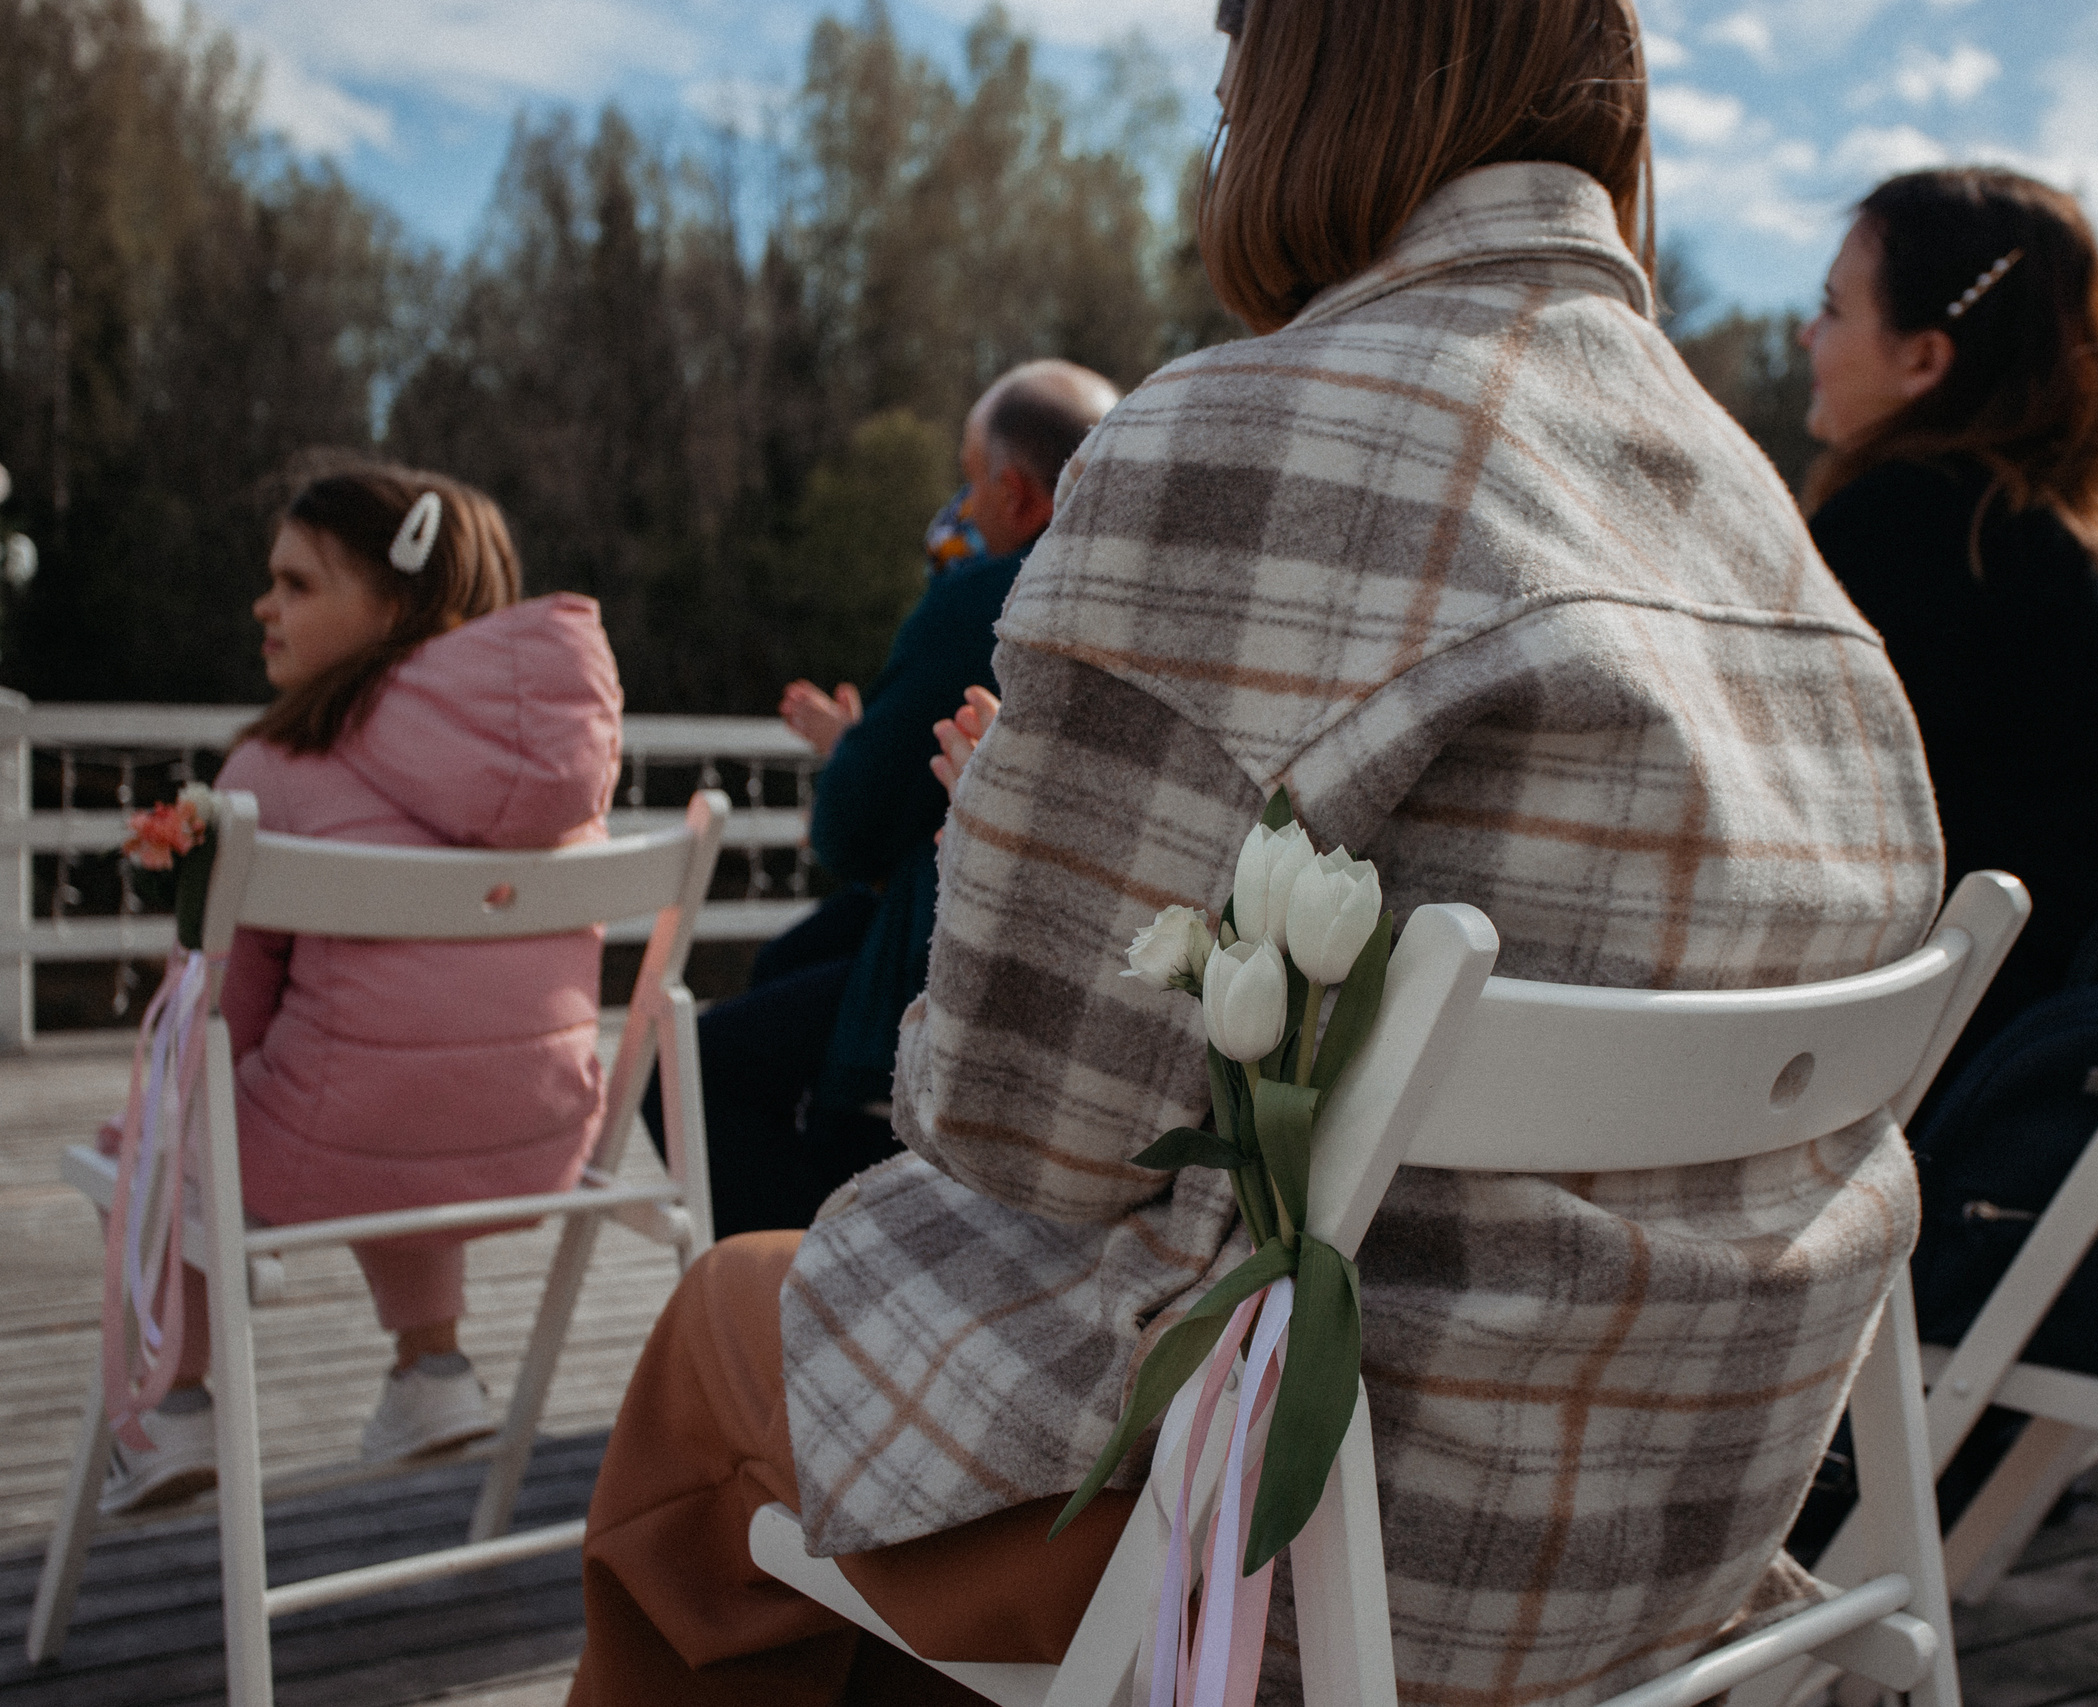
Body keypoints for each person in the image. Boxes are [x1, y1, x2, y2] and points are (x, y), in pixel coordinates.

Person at [567, 3, 1945, 1703]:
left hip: (1316, 1560)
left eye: (1235, 88)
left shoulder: (1238, 435)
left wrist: (1010, 837)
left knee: (721, 1333)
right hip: (1680, 1548)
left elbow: (1017, 1132)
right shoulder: (1772, 536)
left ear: (1315, 87)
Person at [100, 457, 623, 1511]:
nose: (266, 604)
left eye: (298, 584)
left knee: (163, 1130)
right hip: (538, 1144)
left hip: (336, 1145)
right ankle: (433, 1371)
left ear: (398, 602)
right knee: (395, 1077)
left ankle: (176, 1409)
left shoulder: (273, 771)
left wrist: (159, 1119)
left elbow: (219, 1013)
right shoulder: (572, 776)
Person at [640, 361, 1119, 1237]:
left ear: (1017, 495)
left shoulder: (986, 598)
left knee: (678, 1070)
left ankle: (805, 1282)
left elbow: (852, 830)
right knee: (782, 965)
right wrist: (860, 746)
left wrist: (851, 758)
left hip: (949, 968)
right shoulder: (1136, 605)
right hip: (1089, 967)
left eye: (971, 482)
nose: (960, 509)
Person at [1800, 167, 2098, 1082]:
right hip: (2094, 1092)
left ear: (1924, 359)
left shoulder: (1909, 525)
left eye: (1833, 309)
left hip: (1952, 1098)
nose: (1808, 335)